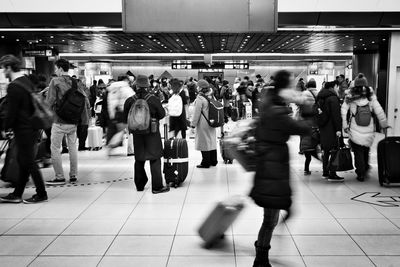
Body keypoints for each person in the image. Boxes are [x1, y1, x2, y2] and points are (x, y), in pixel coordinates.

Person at [250, 70, 310, 267]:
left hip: (270, 165)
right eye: (291, 86)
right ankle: (260, 258)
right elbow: (302, 128)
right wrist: (306, 106)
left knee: (272, 214)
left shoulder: (269, 104)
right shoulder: (277, 111)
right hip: (272, 168)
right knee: (269, 220)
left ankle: (262, 248)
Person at [0, 55, 48, 203]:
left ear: (9, 67)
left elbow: (12, 111)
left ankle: (41, 193)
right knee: (24, 160)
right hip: (32, 126)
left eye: (3, 68)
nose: (3, 72)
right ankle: (17, 193)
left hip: (23, 129)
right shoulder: (26, 81)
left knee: (29, 161)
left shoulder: (14, 86)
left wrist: (4, 128)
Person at [123, 75, 169, 194]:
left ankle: (139, 185)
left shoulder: (130, 100)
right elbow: (162, 114)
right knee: (155, 158)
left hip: (137, 134)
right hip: (152, 133)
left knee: (139, 158)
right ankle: (157, 187)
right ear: (148, 85)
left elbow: (125, 117)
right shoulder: (153, 99)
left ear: (136, 85)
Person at [46, 59, 86, 185]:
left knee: (55, 149)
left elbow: (49, 101)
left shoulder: (55, 81)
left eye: (56, 69)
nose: (56, 71)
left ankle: (59, 176)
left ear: (60, 68)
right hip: (73, 121)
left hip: (59, 121)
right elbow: (83, 100)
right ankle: (73, 175)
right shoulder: (76, 82)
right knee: (73, 148)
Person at [341, 74, 388, 181]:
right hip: (369, 127)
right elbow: (379, 110)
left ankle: (360, 172)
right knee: (366, 149)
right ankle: (365, 167)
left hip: (355, 126)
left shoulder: (350, 95)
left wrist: (344, 125)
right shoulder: (370, 95)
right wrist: (384, 123)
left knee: (358, 151)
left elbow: (343, 111)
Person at [317, 81, 344, 182]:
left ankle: (325, 172)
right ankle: (332, 173)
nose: (338, 89)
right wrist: (338, 129)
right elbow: (336, 116)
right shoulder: (333, 98)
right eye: (337, 87)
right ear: (334, 86)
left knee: (326, 150)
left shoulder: (321, 97)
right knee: (335, 149)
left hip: (323, 128)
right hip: (332, 128)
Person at [191, 79, 217, 168]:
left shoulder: (200, 98)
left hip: (203, 123)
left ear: (200, 88)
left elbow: (196, 113)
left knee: (204, 142)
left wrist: (193, 125)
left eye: (198, 86)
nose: (197, 87)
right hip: (212, 122)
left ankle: (205, 162)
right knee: (211, 141)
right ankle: (214, 160)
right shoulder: (212, 95)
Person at [105, 75, 135, 153]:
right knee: (129, 131)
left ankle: (112, 144)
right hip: (127, 112)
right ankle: (130, 150)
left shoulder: (112, 89)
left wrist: (112, 114)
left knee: (120, 130)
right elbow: (133, 100)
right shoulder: (127, 89)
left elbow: (110, 103)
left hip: (117, 113)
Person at [299, 79, 320, 175]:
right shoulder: (319, 93)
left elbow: (300, 105)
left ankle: (306, 168)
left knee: (305, 138)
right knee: (315, 138)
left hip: (305, 121)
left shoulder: (304, 94)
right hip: (316, 121)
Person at [76, 78, 91, 151]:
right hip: (82, 116)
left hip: (83, 115)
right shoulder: (78, 92)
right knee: (82, 132)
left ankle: (82, 145)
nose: (82, 85)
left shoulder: (81, 91)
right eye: (80, 83)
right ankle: (81, 146)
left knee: (82, 131)